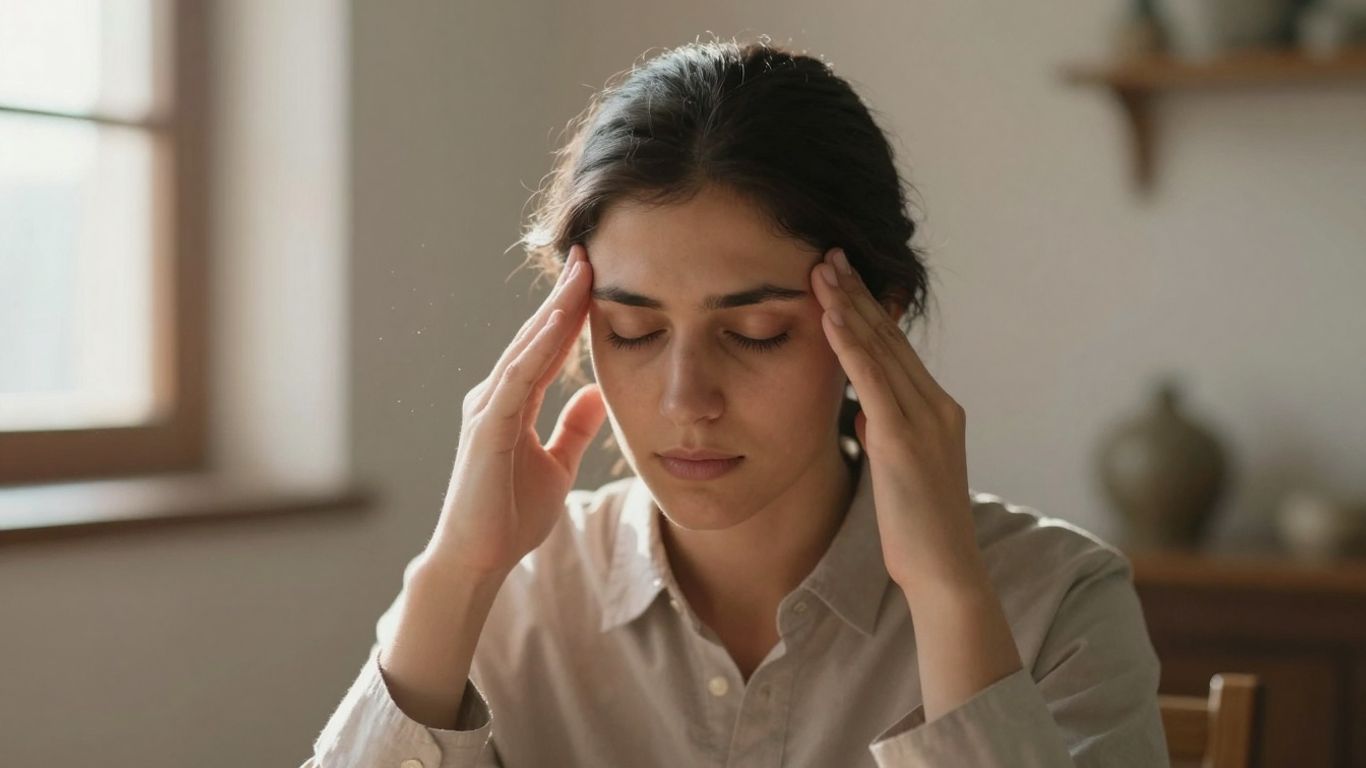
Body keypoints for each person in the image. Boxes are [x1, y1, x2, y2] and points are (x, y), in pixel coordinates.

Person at [302, 37, 1169, 767]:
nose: (687, 400)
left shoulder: (1056, 604)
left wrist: (946, 594)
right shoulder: (508, 600)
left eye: (755, 331)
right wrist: (457, 568)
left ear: (880, 314)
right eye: (634, 332)